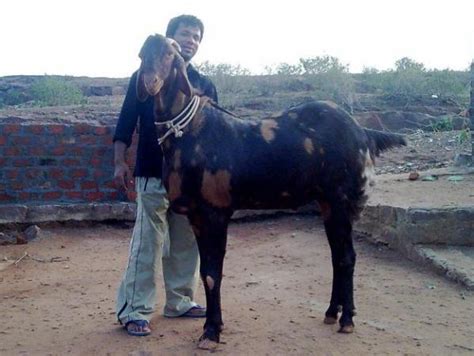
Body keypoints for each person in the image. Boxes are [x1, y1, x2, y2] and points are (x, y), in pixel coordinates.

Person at [113, 14, 218, 337]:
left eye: (197, 37)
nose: (192, 41)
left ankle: (180, 301)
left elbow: (216, 134)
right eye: (186, 34)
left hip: (190, 179)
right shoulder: (144, 76)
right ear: (169, 39)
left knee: (187, 240)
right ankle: (134, 309)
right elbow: (126, 122)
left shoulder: (204, 84)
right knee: (148, 241)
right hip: (152, 172)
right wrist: (120, 162)